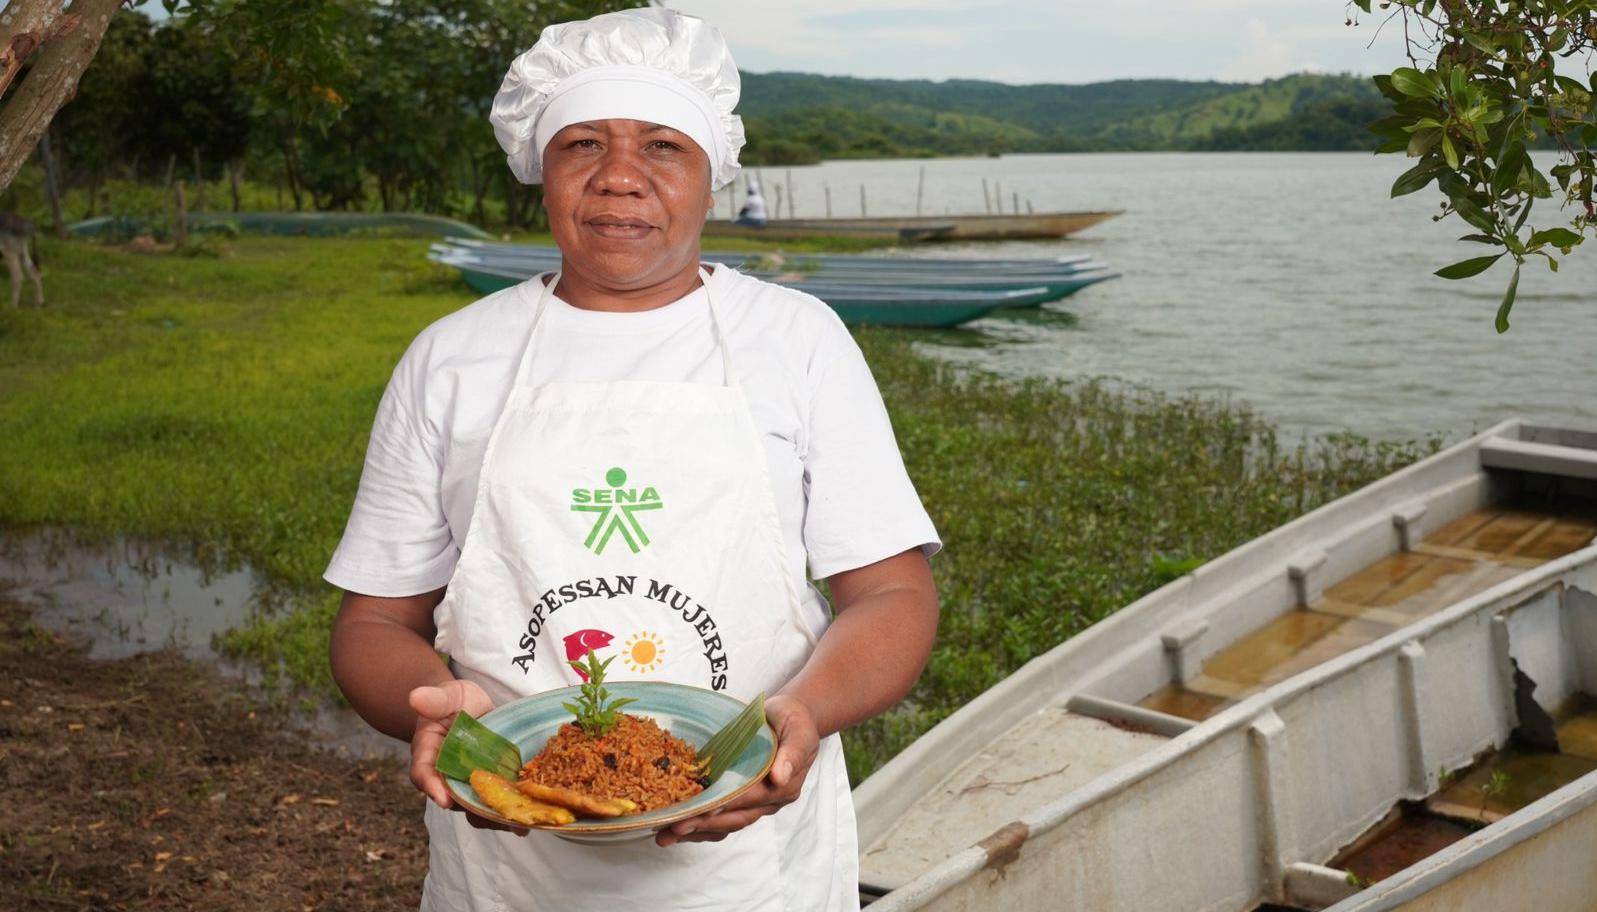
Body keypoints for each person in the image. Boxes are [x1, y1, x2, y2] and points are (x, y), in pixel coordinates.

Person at [324, 9, 939, 912]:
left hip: (752, 868)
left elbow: (890, 595)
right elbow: (372, 625)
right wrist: (437, 710)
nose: (620, 177)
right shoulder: (452, 358)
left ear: (709, 175)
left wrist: (805, 712)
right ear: (540, 170)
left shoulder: (795, 341)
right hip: (510, 864)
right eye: (581, 145)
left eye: (661, 145)